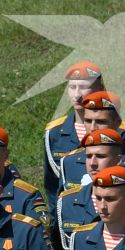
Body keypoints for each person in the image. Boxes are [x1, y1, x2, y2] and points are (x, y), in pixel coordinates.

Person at [42, 63, 108, 196]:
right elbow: (52, 186)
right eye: (72, 87)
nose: (77, 94)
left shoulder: (118, 130)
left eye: (84, 87)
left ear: (100, 89)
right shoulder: (54, 133)